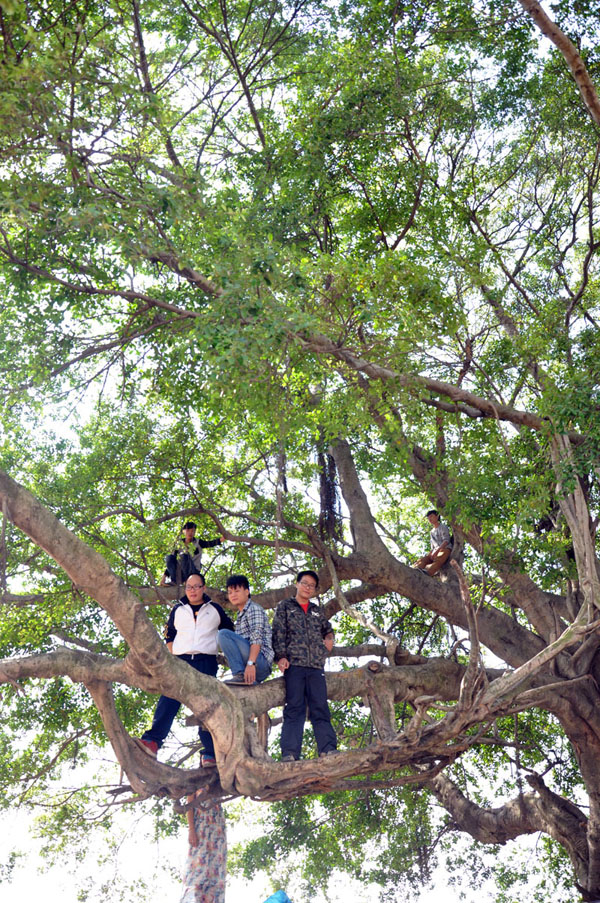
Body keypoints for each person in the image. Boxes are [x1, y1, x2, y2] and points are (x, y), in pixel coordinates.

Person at [135, 573, 234, 766]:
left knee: (207, 706)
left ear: (204, 588)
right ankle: (152, 742)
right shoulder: (178, 609)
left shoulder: (215, 609)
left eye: (197, 587)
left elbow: (229, 631)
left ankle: (210, 753)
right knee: (168, 700)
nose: (193, 590)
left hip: (206, 661)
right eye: (189, 587)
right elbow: (169, 633)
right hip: (180, 661)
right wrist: (173, 655)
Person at [272, 570, 337, 760]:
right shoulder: (285, 606)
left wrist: (329, 639)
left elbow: (327, 629)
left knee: (320, 707)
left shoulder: (317, 610)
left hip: (316, 666)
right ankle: (290, 753)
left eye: (312, 586)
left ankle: (328, 749)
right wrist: (281, 657)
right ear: (297, 584)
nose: (308, 588)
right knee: (294, 708)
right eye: (305, 583)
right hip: (294, 665)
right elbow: (278, 632)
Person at [217, 574, 274, 685]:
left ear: (247, 592)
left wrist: (251, 664)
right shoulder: (240, 615)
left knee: (223, 634)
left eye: (237, 591)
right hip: (251, 663)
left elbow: (257, 638)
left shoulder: (253, 609)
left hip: (260, 662)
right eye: (230, 592)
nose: (233, 595)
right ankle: (248, 680)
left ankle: (239, 674)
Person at [181, 789, 226, 903]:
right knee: (198, 870)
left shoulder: (218, 782)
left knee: (216, 871)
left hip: (217, 830)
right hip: (201, 828)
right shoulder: (195, 782)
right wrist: (191, 830)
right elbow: (189, 806)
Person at [161, 521, 226, 586]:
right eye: (188, 530)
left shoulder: (198, 542)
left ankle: (188, 582)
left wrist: (223, 538)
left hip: (193, 572)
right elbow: (171, 563)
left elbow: (211, 543)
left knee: (184, 556)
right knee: (169, 557)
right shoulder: (178, 544)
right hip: (180, 574)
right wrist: (163, 578)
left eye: (192, 531)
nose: (190, 533)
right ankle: (174, 582)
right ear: (184, 531)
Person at [413, 509, 453, 576]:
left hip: (444, 549)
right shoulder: (432, 532)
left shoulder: (443, 527)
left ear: (437, 516)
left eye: (431, 516)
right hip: (435, 551)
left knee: (438, 559)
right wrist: (430, 554)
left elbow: (446, 540)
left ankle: (428, 573)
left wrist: (437, 551)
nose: (429, 519)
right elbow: (432, 547)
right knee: (422, 560)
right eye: (428, 518)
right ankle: (415, 570)